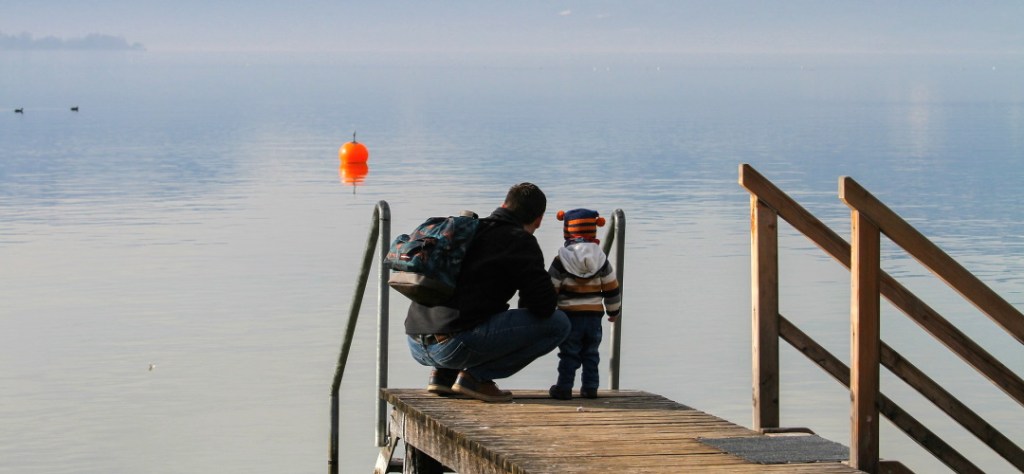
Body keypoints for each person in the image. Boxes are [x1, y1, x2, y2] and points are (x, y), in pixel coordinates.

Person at [405, 183, 571, 403]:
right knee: (559, 324)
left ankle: (443, 375)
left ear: (503, 204)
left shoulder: (468, 230)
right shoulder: (520, 242)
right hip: (453, 346)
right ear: (538, 220)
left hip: (415, 342)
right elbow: (543, 308)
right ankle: (476, 378)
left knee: (468, 311)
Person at [546, 208, 621, 400]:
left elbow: (550, 288)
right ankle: (590, 388)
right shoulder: (601, 259)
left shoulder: (561, 259)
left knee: (569, 353)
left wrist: (548, 310)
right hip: (594, 316)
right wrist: (613, 311)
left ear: (567, 230)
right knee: (591, 353)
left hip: (569, 316)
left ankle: (564, 387)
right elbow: (612, 288)